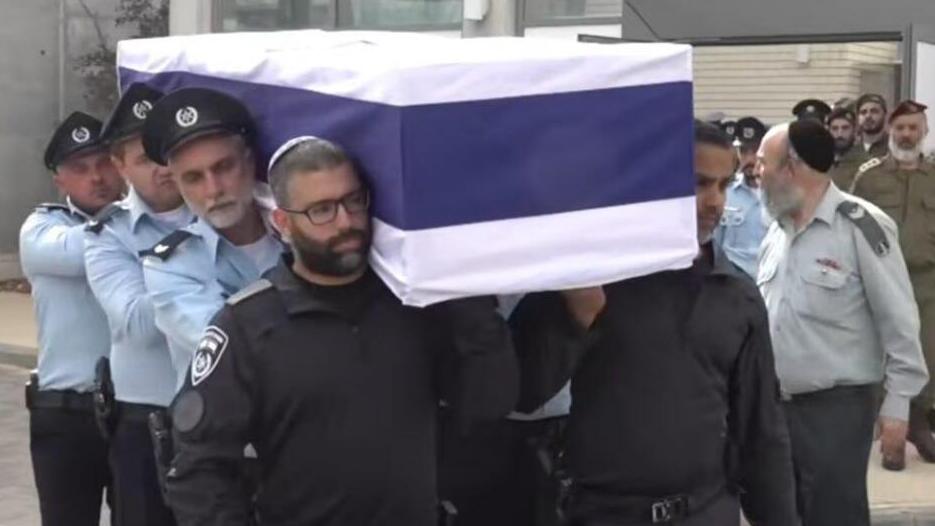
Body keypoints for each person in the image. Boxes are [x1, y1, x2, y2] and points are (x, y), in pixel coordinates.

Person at [163, 136, 519, 525]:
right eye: (321, 211)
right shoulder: (248, 326)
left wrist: (466, 299)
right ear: (282, 222)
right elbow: (199, 470)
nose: (345, 223)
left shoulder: (415, 308)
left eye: (353, 201)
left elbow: (488, 403)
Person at [510, 120, 798, 526]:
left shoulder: (737, 296)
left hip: (707, 511)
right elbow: (523, 389)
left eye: (722, 185)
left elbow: (762, 435)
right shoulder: (594, 278)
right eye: (698, 184)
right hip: (604, 513)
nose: (714, 201)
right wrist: (576, 313)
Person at [757, 119, 928, 524]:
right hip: (775, 409)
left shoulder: (860, 226)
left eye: (764, 163)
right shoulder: (776, 233)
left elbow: (900, 320)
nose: (756, 172)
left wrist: (898, 406)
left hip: (835, 411)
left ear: (791, 167)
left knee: (833, 515)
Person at [83, 83, 191, 525]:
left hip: (222, 426)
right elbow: (135, 321)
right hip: (146, 428)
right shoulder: (108, 236)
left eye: (166, 153)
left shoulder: (222, 218)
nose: (162, 169)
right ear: (120, 165)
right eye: (145, 158)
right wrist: (200, 277)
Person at [139, 87, 285, 389]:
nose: (213, 189)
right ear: (178, 184)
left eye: (223, 167)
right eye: (193, 178)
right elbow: (238, 352)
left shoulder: (297, 236)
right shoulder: (170, 265)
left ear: (249, 162)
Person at [20, 111, 124, 525]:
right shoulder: (42, 229)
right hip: (64, 416)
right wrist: (144, 223)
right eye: (80, 169)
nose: (96, 177)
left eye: (104, 163)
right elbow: (85, 251)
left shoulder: (144, 226)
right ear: (59, 180)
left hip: (133, 413)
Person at [850, 100, 935, 466]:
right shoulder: (869, 176)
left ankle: (917, 425)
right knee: (881, 353)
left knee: (927, 352)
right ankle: (887, 434)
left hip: (927, 281)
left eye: (913, 128)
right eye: (900, 128)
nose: (906, 134)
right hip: (881, 278)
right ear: (889, 131)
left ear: (924, 132)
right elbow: (851, 224)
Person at [714, 116, 768, 278]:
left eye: (755, 151)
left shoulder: (779, 193)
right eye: (744, 151)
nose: (750, 159)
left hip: (768, 281)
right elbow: (715, 243)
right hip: (732, 284)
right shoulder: (726, 191)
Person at [826, 107, 863, 190]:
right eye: (835, 128)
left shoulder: (864, 163)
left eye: (845, 128)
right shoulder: (821, 162)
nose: (840, 134)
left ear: (854, 130)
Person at [855, 93, 889, 158]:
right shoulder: (850, 152)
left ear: (885, 115)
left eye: (874, 111)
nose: (868, 116)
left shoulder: (894, 148)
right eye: (863, 112)